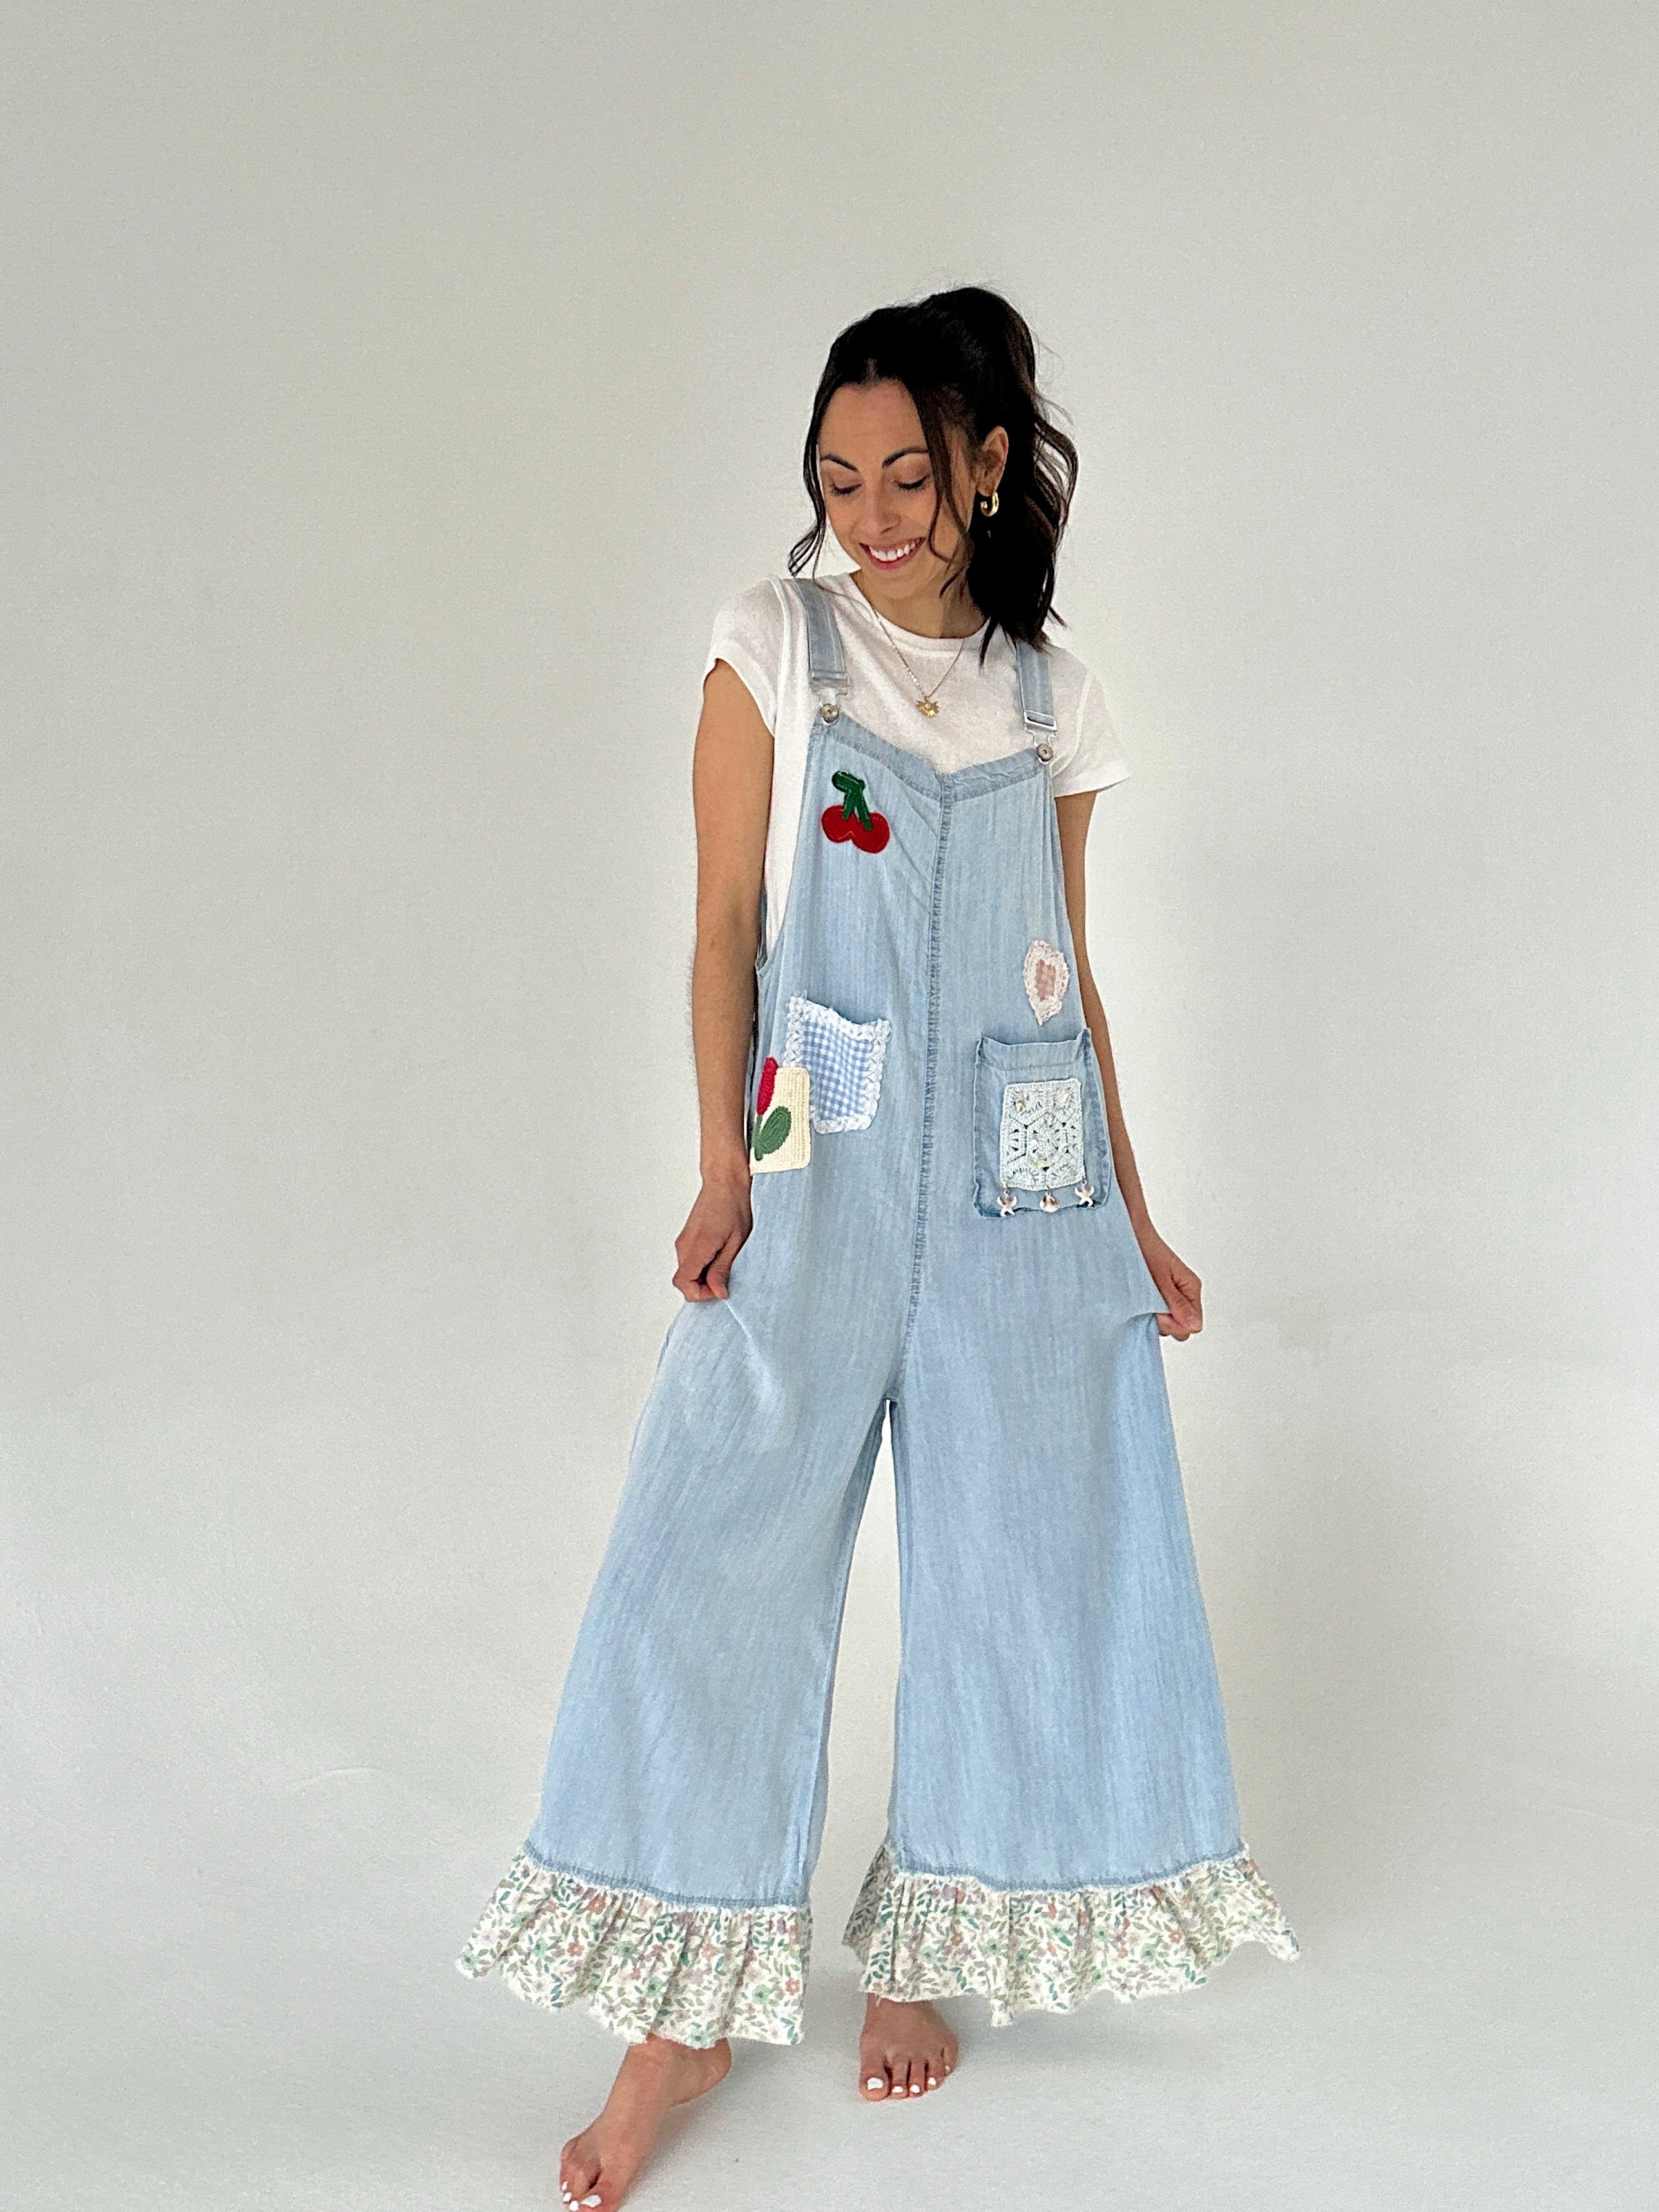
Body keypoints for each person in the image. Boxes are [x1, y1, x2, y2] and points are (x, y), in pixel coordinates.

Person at [457, 286, 1299, 2211]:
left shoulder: (1048, 693)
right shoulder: (773, 648)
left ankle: (925, 1936)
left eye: (909, 475)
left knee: (1023, 1550)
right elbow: (724, 933)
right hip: (813, 1148)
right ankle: (671, 2022)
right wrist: (717, 1171)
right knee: (713, 1555)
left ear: (987, 466)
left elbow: (1067, 975)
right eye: (839, 480)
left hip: (1028, 1169)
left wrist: (1136, 1217)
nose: (874, 513)